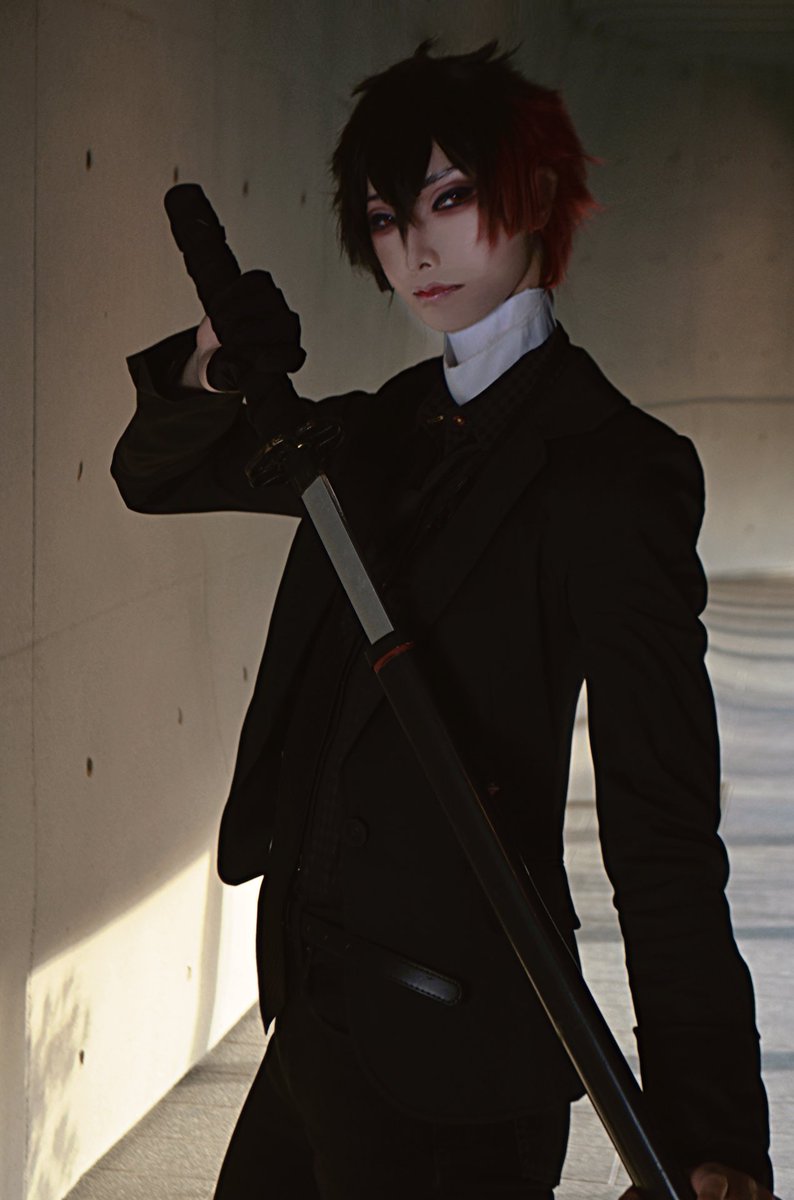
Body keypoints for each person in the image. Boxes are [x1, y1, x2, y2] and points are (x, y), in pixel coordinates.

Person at [111, 38, 775, 1200]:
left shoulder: (613, 471)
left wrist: (708, 1130)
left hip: (461, 1055)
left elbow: (661, 825)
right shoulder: (376, 429)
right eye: (384, 216)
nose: (414, 247)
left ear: (538, 196)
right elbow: (155, 473)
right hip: (311, 1021)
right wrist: (216, 361)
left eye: (449, 198)